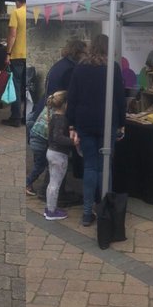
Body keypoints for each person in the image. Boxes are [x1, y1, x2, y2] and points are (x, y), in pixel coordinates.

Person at [66, 33, 127, 228]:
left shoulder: (80, 68)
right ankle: (104, 210)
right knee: (105, 166)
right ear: (108, 48)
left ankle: (86, 213)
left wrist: (71, 125)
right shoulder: (113, 68)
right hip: (107, 122)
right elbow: (120, 98)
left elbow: (72, 98)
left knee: (90, 167)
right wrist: (122, 123)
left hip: (85, 123)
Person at [42, 91, 72, 221]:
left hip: (51, 152)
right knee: (55, 183)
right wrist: (73, 141)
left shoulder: (53, 116)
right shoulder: (62, 119)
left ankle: (50, 207)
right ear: (65, 104)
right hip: (59, 154)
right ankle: (51, 212)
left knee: (52, 182)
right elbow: (58, 137)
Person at [3, 0, 27, 127]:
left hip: (17, 54)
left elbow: (12, 35)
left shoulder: (16, 13)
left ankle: (15, 117)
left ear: (18, 1)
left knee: (16, 86)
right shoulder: (34, 11)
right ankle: (26, 117)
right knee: (27, 87)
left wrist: (8, 53)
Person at [26, 100, 50, 199]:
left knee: (37, 163)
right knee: (40, 165)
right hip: (40, 143)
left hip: (34, 139)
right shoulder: (51, 115)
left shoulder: (44, 108)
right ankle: (28, 183)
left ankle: (29, 183)